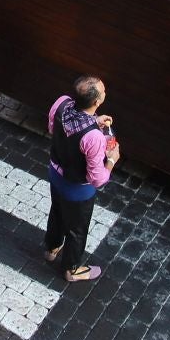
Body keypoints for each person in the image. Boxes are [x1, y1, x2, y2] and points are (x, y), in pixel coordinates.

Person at [45, 75, 116, 284]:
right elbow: (98, 179)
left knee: (56, 211)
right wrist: (111, 160)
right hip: (77, 188)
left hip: (55, 173)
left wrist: (93, 121)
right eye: (103, 91)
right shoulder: (94, 137)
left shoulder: (61, 103)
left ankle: (51, 248)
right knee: (77, 230)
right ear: (97, 102)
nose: (105, 93)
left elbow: (53, 128)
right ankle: (71, 269)